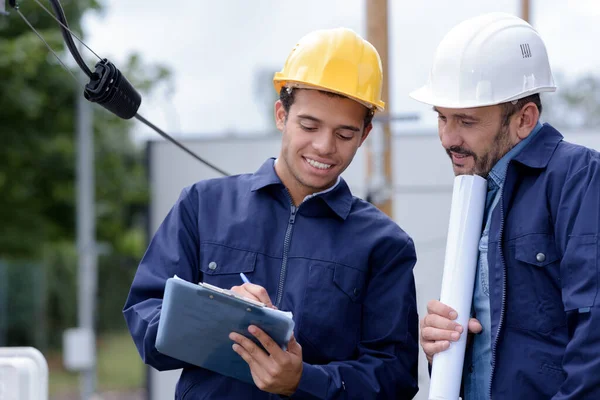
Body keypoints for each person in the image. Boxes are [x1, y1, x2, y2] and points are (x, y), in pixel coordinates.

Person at [123, 27, 419, 399]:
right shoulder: (202, 206)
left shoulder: (385, 245)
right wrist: (216, 315)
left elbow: (395, 376)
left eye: (344, 134)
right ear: (282, 115)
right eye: (309, 126)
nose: (324, 147)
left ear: (365, 134)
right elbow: (145, 314)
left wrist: (304, 381)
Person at [410, 12, 600, 399]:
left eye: (465, 121)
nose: (448, 138)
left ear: (524, 119)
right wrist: (442, 347)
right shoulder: (476, 191)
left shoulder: (579, 177)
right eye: (442, 118)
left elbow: (595, 329)